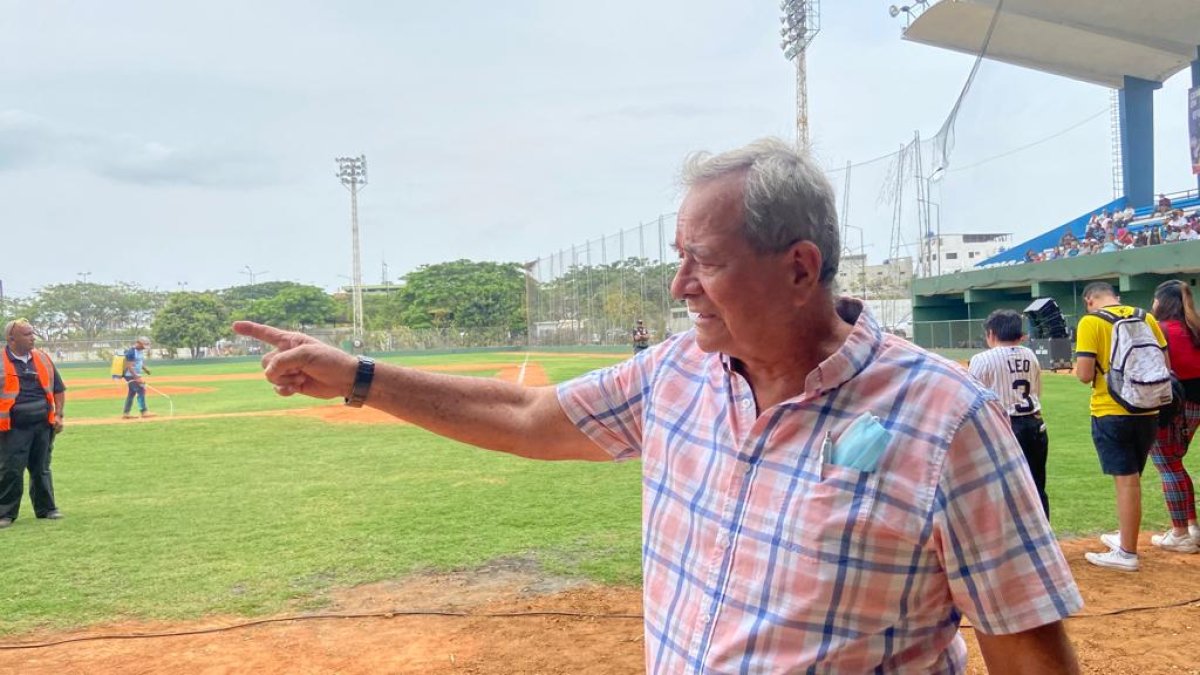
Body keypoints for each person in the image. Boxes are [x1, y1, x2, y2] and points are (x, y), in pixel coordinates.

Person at [234, 138, 1081, 673]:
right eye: (679, 259)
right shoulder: (676, 373)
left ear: (798, 267)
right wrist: (361, 376)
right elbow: (530, 418)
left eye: (702, 262)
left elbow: (1027, 649)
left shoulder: (944, 418)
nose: (678, 287)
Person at [1074, 282, 1169, 571]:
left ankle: (1127, 552)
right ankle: (1125, 538)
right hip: (1148, 408)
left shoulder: (1091, 322)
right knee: (1133, 478)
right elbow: (1164, 361)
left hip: (1111, 409)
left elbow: (1084, 374)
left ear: (1090, 300)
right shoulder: (1145, 317)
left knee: (1126, 481)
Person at [969, 309, 1050, 517]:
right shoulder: (1030, 355)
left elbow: (971, 399)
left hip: (1004, 428)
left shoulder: (982, 359)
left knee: (1001, 490)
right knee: (1036, 487)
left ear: (992, 333)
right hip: (1035, 426)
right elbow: (1037, 391)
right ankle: (1044, 541)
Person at [1147, 280, 1200, 552]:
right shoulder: (1194, 328)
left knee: (1168, 465)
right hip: (1194, 404)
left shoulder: (1161, 329)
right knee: (1175, 464)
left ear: (1162, 302)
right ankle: (1191, 526)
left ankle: (1180, 533)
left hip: (1173, 405)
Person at [0, 319, 65, 528]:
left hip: (42, 424)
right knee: (11, 469)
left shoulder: (42, 358)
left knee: (41, 468)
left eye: (32, 333)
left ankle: (46, 508)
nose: (32, 338)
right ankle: (6, 513)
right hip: (13, 427)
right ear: (12, 338)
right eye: (27, 334)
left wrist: (59, 415)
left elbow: (59, 388)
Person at [122, 336, 154, 419]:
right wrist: (136, 378)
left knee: (131, 393)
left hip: (135, 374)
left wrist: (145, 369)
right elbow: (129, 366)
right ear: (138, 343)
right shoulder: (131, 352)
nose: (144, 348)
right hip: (130, 375)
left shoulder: (140, 351)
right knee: (141, 389)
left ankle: (126, 413)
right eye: (143, 346)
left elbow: (139, 361)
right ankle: (144, 411)